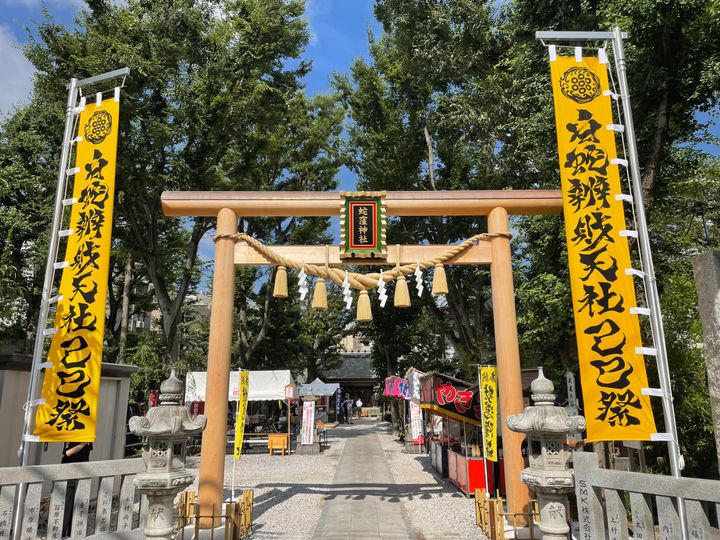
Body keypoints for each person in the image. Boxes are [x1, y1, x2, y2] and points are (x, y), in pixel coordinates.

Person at [61, 441, 93, 537]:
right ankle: (61, 534)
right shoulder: (73, 435)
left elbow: (87, 453)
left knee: (78, 507)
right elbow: (68, 453)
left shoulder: (88, 436)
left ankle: (74, 534)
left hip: (82, 473)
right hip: (69, 472)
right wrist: (83, 444)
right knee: (67, 506)